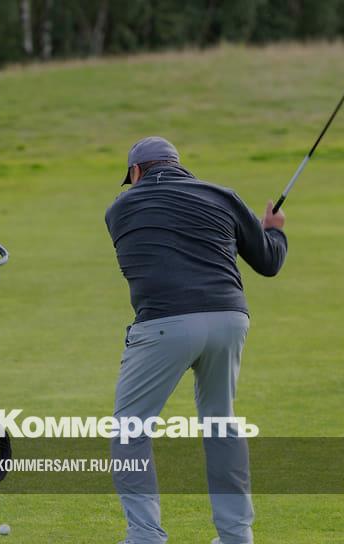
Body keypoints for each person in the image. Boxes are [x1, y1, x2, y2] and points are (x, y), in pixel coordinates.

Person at [105, 136, 287, 544]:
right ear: (178, 165)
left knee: (130, 431)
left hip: (163, 325)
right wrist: (274, 232)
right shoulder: (222, 197)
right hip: (229, 319)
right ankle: (236, 536)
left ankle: (145, 536)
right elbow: (268, 262)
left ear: (136, 172)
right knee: (221, 424)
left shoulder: (118, 209)